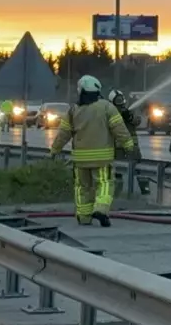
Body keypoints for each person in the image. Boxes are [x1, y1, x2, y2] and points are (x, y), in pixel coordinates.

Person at [48, 75, 136, 227]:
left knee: (82, 187)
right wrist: (129, 146)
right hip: (102, 159)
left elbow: (63, 134)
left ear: (81, 90)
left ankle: (83, 217)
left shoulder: (73, 110)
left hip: (80, 160)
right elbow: (119, 129)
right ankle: (101, 209)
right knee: (105, 183)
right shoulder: (107, 107)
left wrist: (54, 150)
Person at [107, 88, 149, 195]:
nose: (120, 103)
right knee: (118, 171)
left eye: (121, 100)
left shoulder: (129, 111)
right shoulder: (109, 114)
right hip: (117, 148)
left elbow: (137, 121)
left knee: (139, 168)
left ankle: (145, 190)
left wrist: (129, 117)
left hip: (132, 147)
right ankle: (117, 193)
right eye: (118, 101)